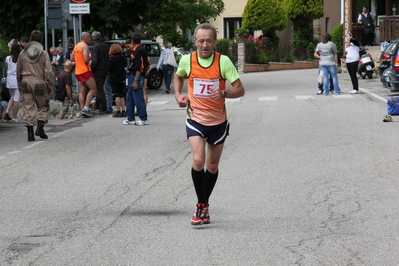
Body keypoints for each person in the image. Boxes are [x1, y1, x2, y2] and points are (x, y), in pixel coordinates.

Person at [174, 23, 245, 225]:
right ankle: (201, 204)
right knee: (198, 160)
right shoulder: (187, 60)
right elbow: (178, 76)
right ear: (195, 41)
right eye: (201, 40)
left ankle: (204, 203)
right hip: (195, 118)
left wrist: (224, 93)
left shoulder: (223, 62)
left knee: (212, 166)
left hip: (218, 122)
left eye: (209, 41)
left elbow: (240, 90)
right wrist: (178, 95)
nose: (205, 45)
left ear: (215, 42)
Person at [16, 30, 55, 141]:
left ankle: (30, 133)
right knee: (43, 106)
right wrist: (51, 85)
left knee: (28, 107)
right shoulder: (43, 53)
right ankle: (40, 127)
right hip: (39, 82)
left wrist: (19, 83)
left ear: (30, 39)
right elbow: (48, 71)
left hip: (25, 82)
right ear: (41, 40)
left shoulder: (22, 53)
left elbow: (18, 69)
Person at [122, 35, 149, 126]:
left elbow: (139, 66)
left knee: (138, 98)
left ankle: (143, 118)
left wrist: (136, 80)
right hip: (134, 76)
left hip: (135, 76)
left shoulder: (138, 51)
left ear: (132, 42)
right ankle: (130, 118)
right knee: (129, 97)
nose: (128, 49)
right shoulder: (141, 49)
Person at [71, 31, 97, 117]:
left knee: (82, 91)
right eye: (89, 37)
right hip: (85, 70)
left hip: (77, 71)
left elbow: (72, 58)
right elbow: (86, 59)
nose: (90, 39)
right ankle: (86, 108)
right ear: (85, 37)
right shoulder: (84, 46)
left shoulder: (76, 46)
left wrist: (78, 60)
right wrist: (91, 56)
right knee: (93, 89)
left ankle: (82, 110)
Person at [90, 31, 109, 115]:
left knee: (99, 89)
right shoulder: (106, 46)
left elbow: (95, 61)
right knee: (101, 88)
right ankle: (98, 106)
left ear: (93, 38)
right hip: (105, 69)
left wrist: (91, 68)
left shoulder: (95, 47)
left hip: (98, 70)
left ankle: (102, 107)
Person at [107, 44, 126, 117]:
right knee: (122, 94)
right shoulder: (123, 57)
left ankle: (118, 111)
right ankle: (123, 110)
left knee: (116, 94)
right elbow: (125, 65)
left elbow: (108, 69)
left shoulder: (111, 59)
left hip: (114, 78)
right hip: (122, 77)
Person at [5, 43, 21, 122]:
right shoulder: (20, 59)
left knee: (12, 97)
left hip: (9, 79)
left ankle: (7, 111)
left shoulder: (8, 58)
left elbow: (7, 68)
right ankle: (14, 117)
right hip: (16, 79)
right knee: (16, 99)